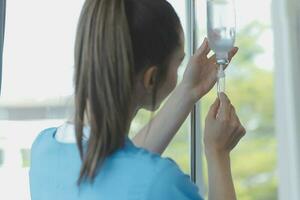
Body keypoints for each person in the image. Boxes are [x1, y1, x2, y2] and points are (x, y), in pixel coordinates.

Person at [29, 0, 246, 199]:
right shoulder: (161, 183)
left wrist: (188, 91)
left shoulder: (43, 150)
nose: (180, 73)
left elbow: (123, 170)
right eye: (179, 63)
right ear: (151, 78)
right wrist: (218, 153)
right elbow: (141, 178)